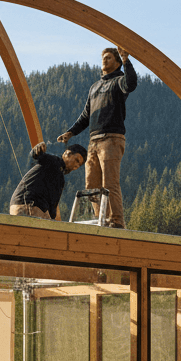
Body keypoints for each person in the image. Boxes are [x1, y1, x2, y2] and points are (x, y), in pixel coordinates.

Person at [57, 46, 138, 229]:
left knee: (110, 182)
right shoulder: (94, 87)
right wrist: (71, 132)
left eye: (109, 58)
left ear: (117, 63)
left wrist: (126, 60)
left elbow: (131, 84)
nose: (104, 60)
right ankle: (102, 219)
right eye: (103, 58)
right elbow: (86, 115)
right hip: (94, 141)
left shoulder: (119, 81)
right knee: (91, 184)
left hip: (111, 138)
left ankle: (116, 220)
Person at [8, 142, 87, 220]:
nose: (76, 166)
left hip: (29, 206)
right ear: (68, 153)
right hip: (29, 206)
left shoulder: (59, 174)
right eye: (76, 160)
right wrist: (37, 150)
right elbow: (38, 156)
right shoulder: (53, 162)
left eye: (79, 165)